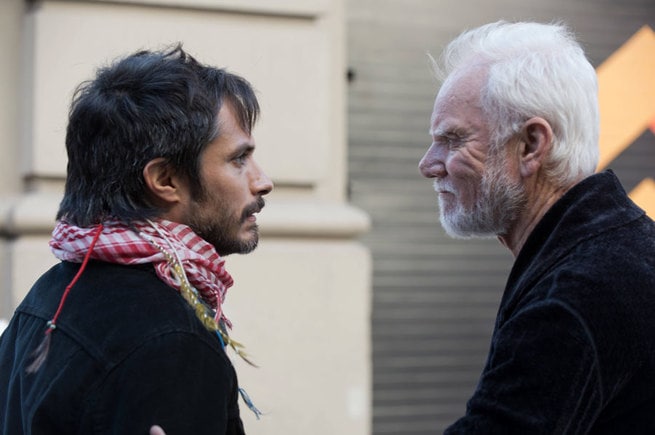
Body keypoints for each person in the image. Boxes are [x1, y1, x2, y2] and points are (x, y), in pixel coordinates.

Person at [0, 45, 273, 434]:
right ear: (164, 180)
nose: (263, 181)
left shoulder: (48, 297)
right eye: (238, 159)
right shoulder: (170, 342)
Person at [419, 21, 655, 433]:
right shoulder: (621, 251)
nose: (428, 165)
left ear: (531, 145)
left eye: (453, 140)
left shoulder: (580, 292)